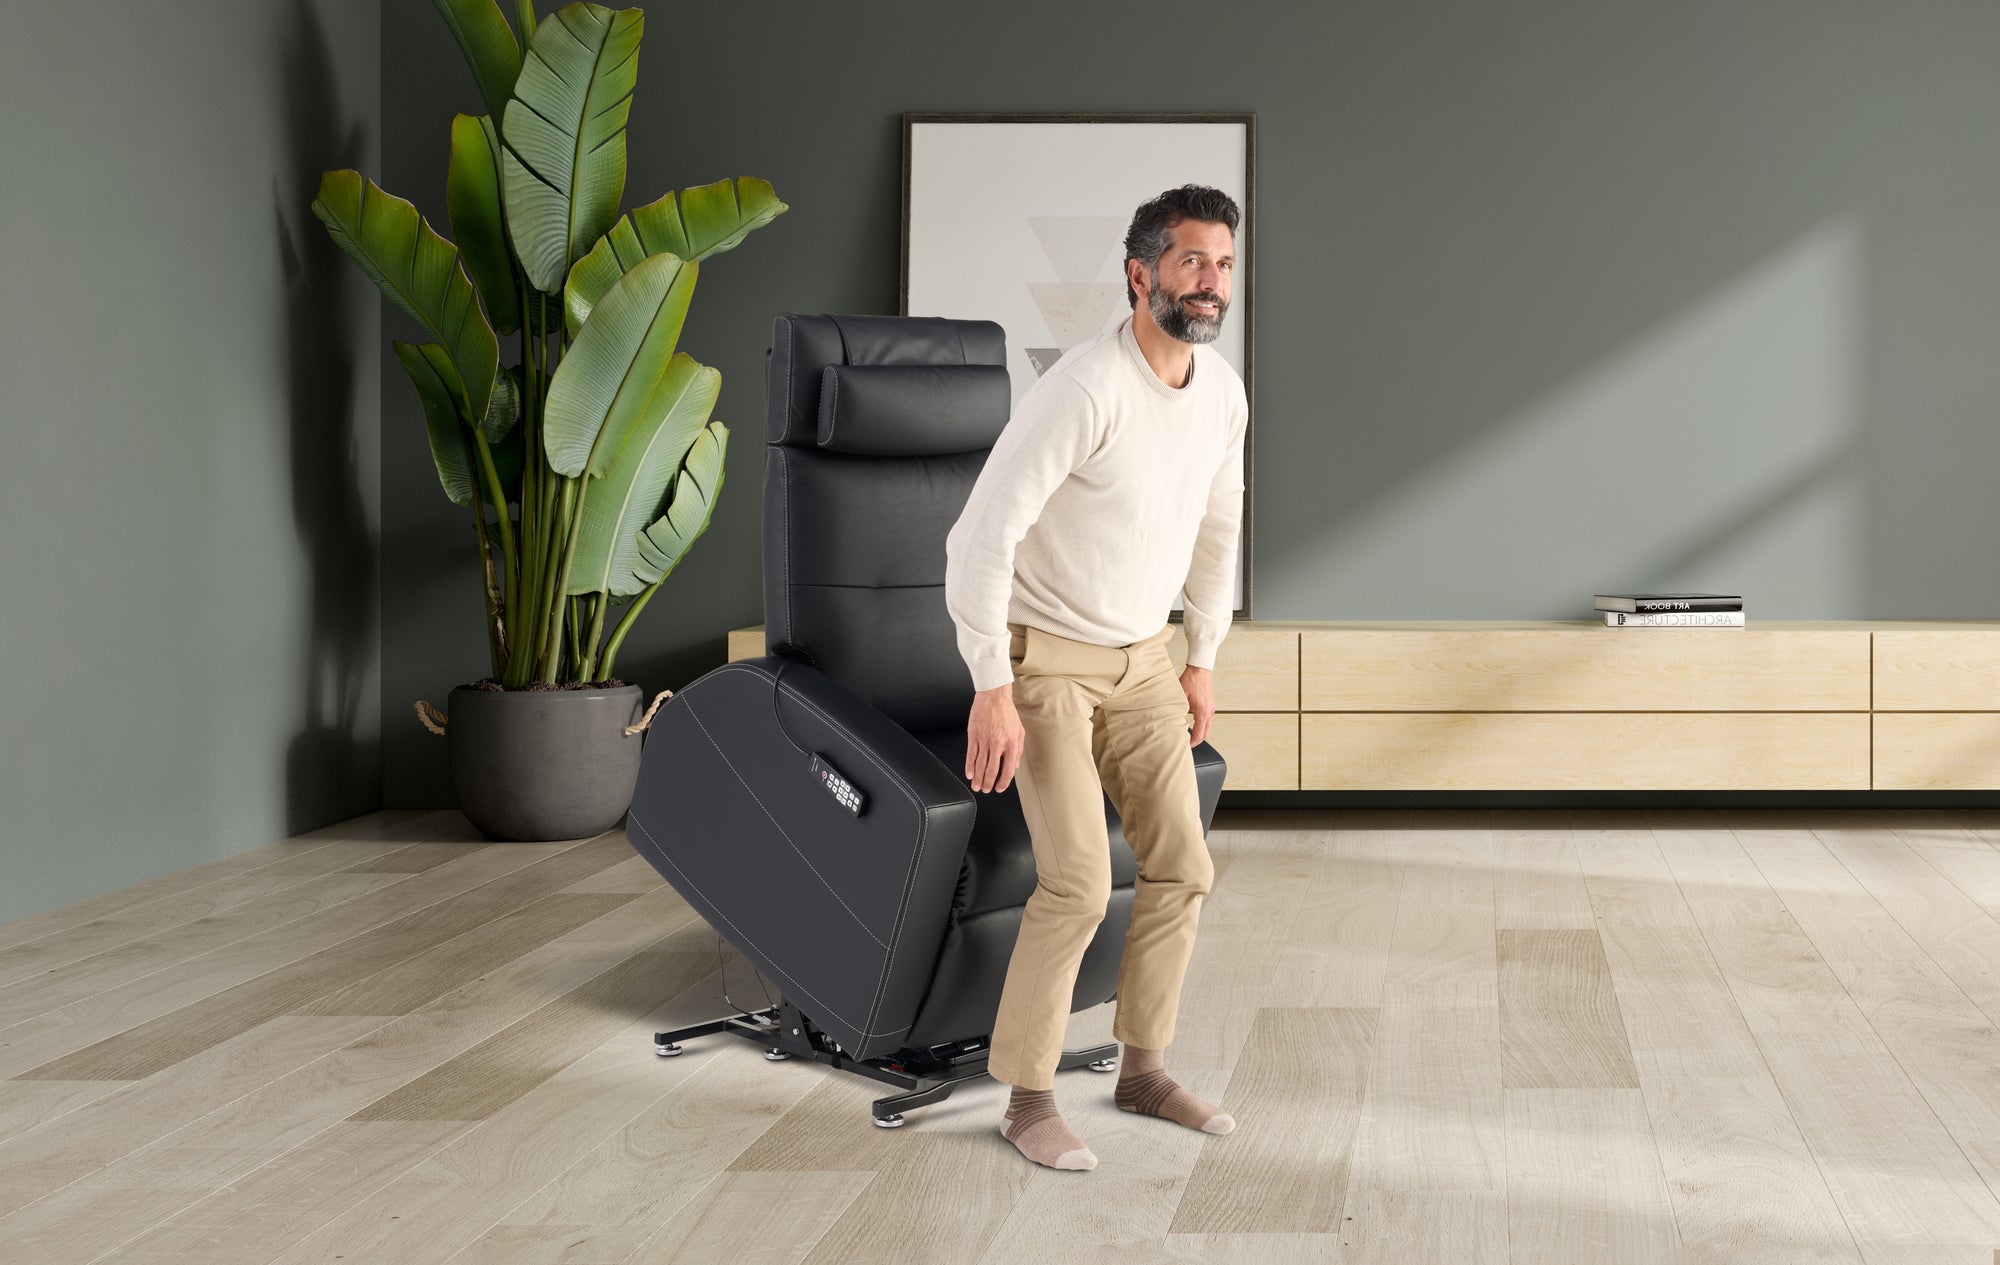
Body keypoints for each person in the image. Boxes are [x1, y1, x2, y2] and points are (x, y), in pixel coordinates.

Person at [943, 184, 1250, 1171]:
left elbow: (1215, 532)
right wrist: (990, 681)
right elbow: (980, 535)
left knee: (1182, 867)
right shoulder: (1083, 388)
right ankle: (1026, 1096)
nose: (1209, 283)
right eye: (1190, 262)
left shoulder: (1222, 394)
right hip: (1048, 666)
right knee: (1075, 880)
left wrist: (1199, 653)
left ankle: (1141, 1067)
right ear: (1139, 273)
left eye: (1222, 264)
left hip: (1145, 662)